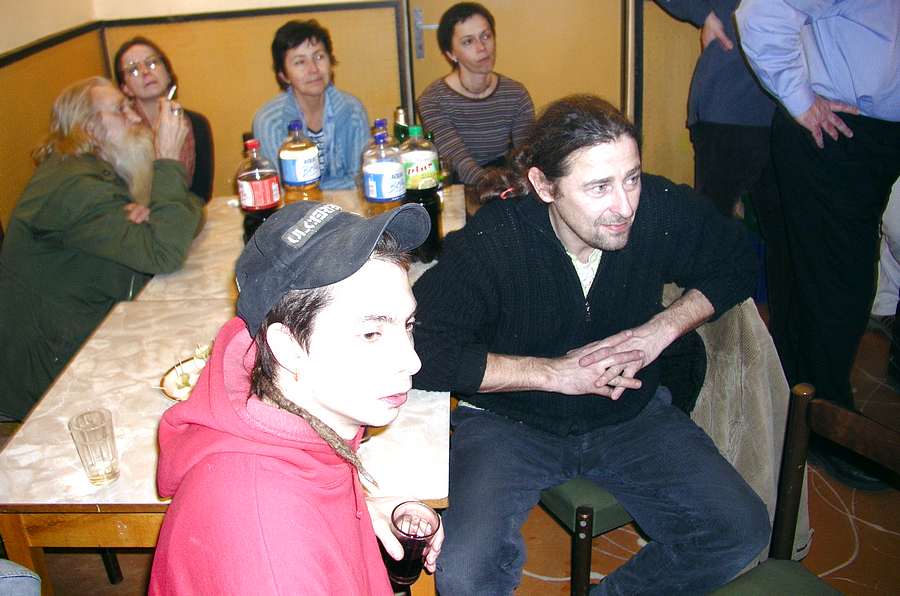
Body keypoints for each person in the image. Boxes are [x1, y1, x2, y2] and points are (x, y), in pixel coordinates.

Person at [412, 95, 769, 594]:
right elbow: (420, 351)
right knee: (466, 574)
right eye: (599, 187)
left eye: (632, 178)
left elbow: (737, 260)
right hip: (511, 421)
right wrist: (554, 374)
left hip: (628, 415)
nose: (624, 207)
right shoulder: (495, 240)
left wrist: (660, 330)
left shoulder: (657, 208)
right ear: (544, 186)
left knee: (739, 530)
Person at [149, 201, 443, 594]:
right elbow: (274, 547)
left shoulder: (287, 409)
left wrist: (353, 510)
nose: (412, 361)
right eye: (371, 333)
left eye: (407, 324)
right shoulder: (272, 562)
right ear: (287, 348)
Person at [737, 1, 900, 488]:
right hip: (838, 130)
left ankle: (798, 404)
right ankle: (826, 427)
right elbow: (761, 14)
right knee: (841, 286)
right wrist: (800, 99)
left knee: (811, 277)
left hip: (859, 133)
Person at [0, 76, 203, 421]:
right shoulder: (77, 188)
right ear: (89, 129)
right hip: (49, 374)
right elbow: (166, 252)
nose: (136, 116)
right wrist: (168, 161)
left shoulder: (95, 169)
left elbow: (187, 214)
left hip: (89, 331)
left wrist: (157, 210)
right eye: (121, 110)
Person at [653, 0, 790, 351]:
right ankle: (707, 348)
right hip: (730, 107)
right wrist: (704, 14)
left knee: (787, 240)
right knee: (711, 237)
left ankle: (777, 356)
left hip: (787, 111)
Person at [416, 2, 534, 187]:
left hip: (506, 180)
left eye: (486, 36)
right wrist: (496, 189)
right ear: (451, 54)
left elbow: (526, 157)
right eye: (468, 41)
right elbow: (459, 163)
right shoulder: (432, 100)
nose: (482, 47)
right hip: (459, 185)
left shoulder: (516, 94)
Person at [253, 19, 369, 190]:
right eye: (300, 62)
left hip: (347, 204)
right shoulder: (270, 120)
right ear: (284, 75)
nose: (313, 69)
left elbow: (360, 179)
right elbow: (282, 189)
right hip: (295, 207)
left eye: (319, 57)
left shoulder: (353, 110)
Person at [114, 37, 215, 201]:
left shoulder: (197, 123)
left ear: (168, 74)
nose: (145, 72)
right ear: (125, 88)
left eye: (152, 63)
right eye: (133, 70)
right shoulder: (121, 129)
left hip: (187, 210)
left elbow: (202, 194)